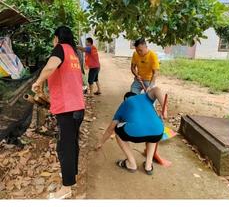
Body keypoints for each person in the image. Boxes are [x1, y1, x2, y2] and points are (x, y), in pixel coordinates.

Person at [31, 26, 85, 199]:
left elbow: (50, 67)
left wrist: (37, 82)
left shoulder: (60, 48)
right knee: (72, 144)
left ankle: (66, 188)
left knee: (64, 147)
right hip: (78, 107)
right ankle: (72, 175)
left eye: (54, 38)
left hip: (68, 109)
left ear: (57, 38)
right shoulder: (73, 53)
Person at [95, 88, 165, 174]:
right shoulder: (145, 97)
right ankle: (148, 165)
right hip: (158, 132)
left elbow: (110, 129)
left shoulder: (124, 104)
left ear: (125, 99)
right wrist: (164, 109)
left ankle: (131, 163)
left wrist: (100, 142)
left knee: (118, 131)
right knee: (152, 133)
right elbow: (157, 90)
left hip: (135, 132)